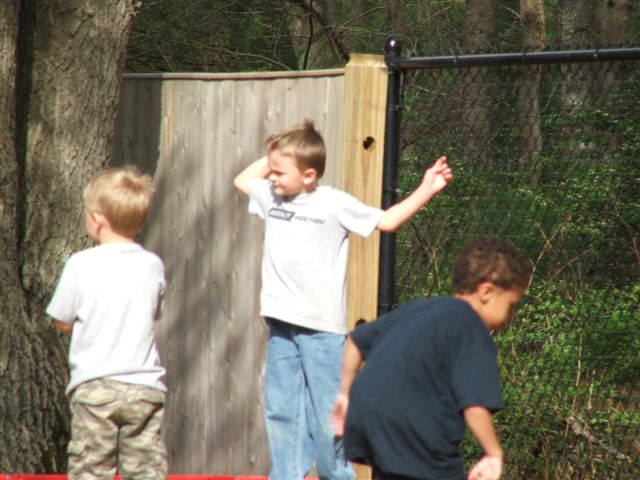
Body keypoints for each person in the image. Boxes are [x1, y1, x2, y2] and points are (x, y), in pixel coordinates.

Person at [233, 119, 452, 480]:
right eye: (271, 171)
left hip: (321, 331)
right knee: (281, 410)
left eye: (280, 172)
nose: (272, 178)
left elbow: (387, 222)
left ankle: (337, 475)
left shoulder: (333, 204)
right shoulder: (271, 196)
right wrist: (276, 156)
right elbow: (242, 180)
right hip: (281, 326)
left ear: (308, 175)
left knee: (327, 416)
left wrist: (426, 189)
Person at [331, 236, 533, 480]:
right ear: (487, 292)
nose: (510, 315)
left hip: (367, 413)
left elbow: (355, 341)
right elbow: (475, 405)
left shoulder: (420, 308)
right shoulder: (471, 329)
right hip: (414, 429)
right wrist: (493, 453)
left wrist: (345, 394)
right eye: (511, 305)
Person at [47, 166, 168, 480]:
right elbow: (153, 312)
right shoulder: (152, 265)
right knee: (145, 469)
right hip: (145, 388)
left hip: (96, 386)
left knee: (91, 468)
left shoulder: (80, 264)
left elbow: (61, 319)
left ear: (97, 218)